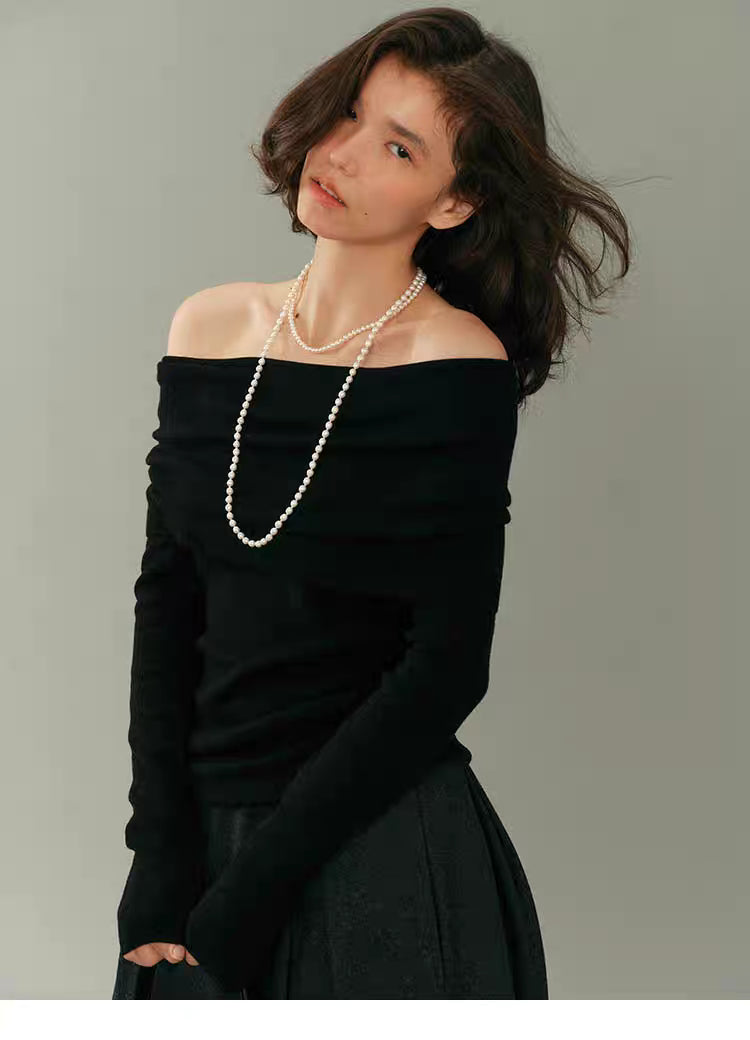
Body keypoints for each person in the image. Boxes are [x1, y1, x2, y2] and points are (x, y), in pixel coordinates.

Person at [112, 7, 631, 1000]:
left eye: (398, 146)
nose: (341, 154)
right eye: (350, 113)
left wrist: (258, 888)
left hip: (374, 853)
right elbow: (166, 602)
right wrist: (159, 850)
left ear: (455, 200)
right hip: (203, 860)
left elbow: (446, 665)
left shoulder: (456, 366)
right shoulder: (208, 328)